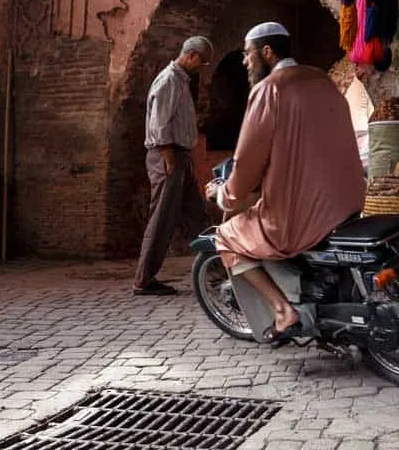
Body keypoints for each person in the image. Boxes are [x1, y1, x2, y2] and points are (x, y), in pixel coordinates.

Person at [206, 22, 365, 343]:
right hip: (349, 201)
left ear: (267, 51)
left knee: (226, 235)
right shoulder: (322, 81)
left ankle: (283, 311)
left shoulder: (269, 90)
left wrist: (224, 194)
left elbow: (247, 161)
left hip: (301, 215)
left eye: (248, 54)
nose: (245, 62)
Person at [133, 35, 214, 296]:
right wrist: (168, 159)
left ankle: (216, 271)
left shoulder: (181, 80)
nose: (200, 67)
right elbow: (159, 125)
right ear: (190, 55)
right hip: (167, 156)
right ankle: (144, 280)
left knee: (196, 214)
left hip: (181, 156)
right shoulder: (169, 80)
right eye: (201, 62)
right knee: (162, 218)